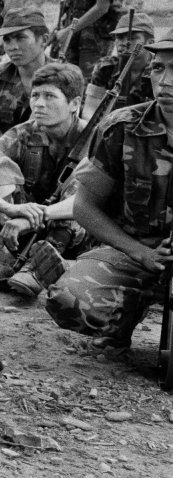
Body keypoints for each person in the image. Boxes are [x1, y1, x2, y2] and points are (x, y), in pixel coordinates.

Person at [46, 29, 173, 352]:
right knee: (69, 300)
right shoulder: (122, 126)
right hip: (133, 251)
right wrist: (139, 252)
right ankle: (123, 317)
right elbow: (84, 207)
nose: (166, 80)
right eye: (159, 68)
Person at [0, 63, 88, 295]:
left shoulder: (95, 138)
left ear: (75, 104)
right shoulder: (23, 133)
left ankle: (39, 267)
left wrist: (36, 216)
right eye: (35, 95)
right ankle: (6, 255)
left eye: (50, 96)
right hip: (22, 226)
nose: (39, 104)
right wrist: (10, 210)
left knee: (82, 180)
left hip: (75, 232)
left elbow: (88, 202)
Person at [0, 8, 52, 146]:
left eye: (20, 38)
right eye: (7, 40)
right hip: (4, 153)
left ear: (44, 39)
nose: (12, 47)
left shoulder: (63, 76)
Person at [84, 11, 155, 118]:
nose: (124, 43)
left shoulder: (160, 71)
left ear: (150, 43)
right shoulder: (105, 67)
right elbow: (90, 110)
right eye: (120, 37)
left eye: (132, 38)